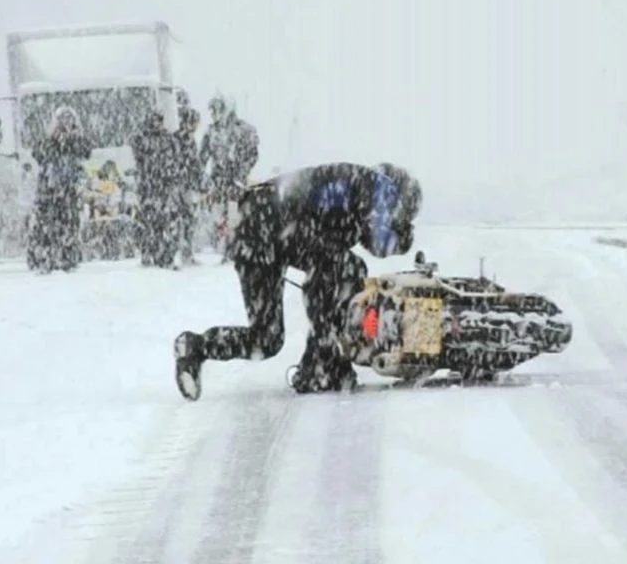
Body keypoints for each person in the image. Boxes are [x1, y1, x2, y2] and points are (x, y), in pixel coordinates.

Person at [171, 162, 422, 400]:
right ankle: (322, 361)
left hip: (258, 231)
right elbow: (380, 242)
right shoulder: (375, 184)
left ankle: (196, 347)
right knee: (342, 270)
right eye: (401, 215)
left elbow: (367, 239)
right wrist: (404, 238)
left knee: (266, 339)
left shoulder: (353, 190)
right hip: (270, 227)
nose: (395, 219)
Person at [29, 106, 94, 273]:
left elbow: (87, 151)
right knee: (45, 225)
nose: (66, 125)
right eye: (62, 121)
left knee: (69, 223)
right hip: (48, 193)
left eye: (69, 121)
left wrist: (73, 140)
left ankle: (67, 256)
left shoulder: (77, 142)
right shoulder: (47, 142)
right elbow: (37, 154)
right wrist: (53, 140)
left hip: (68, 192)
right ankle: (45, 257)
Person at [198, 95, 259, 262]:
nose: (213, 114)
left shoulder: (243, 130)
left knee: (235, 216)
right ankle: (226, 246)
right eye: (212, 110)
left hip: (235, 182)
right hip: (218, 182)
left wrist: (241, 174)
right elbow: (202, 157)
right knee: (220, 217)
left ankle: (234, 248)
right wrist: (203, 178)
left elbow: (252, 155)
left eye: (216, 110)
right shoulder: (211, 131)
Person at [130, 109, 176, 268]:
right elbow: (138, 156)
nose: (157, 124)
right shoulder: (142, 138)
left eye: (159, 121)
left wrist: (169, 177)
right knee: (147, 221)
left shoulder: (166, 138)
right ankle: (148, 253)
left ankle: (163, 256)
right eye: (155, 121)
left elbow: (172, 160)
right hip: (148, 186)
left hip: (160, 186)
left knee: (163, 222)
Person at [172, 106, 204, 264]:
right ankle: (182, 252)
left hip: (185, 185)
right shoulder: (180, 140)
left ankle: (186, 251)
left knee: (187, 219)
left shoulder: (187, 140)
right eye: (194, 122)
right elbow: (190, 163)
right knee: (184, 219)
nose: (196, 126)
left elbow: (195, 164)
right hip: (182, 185)